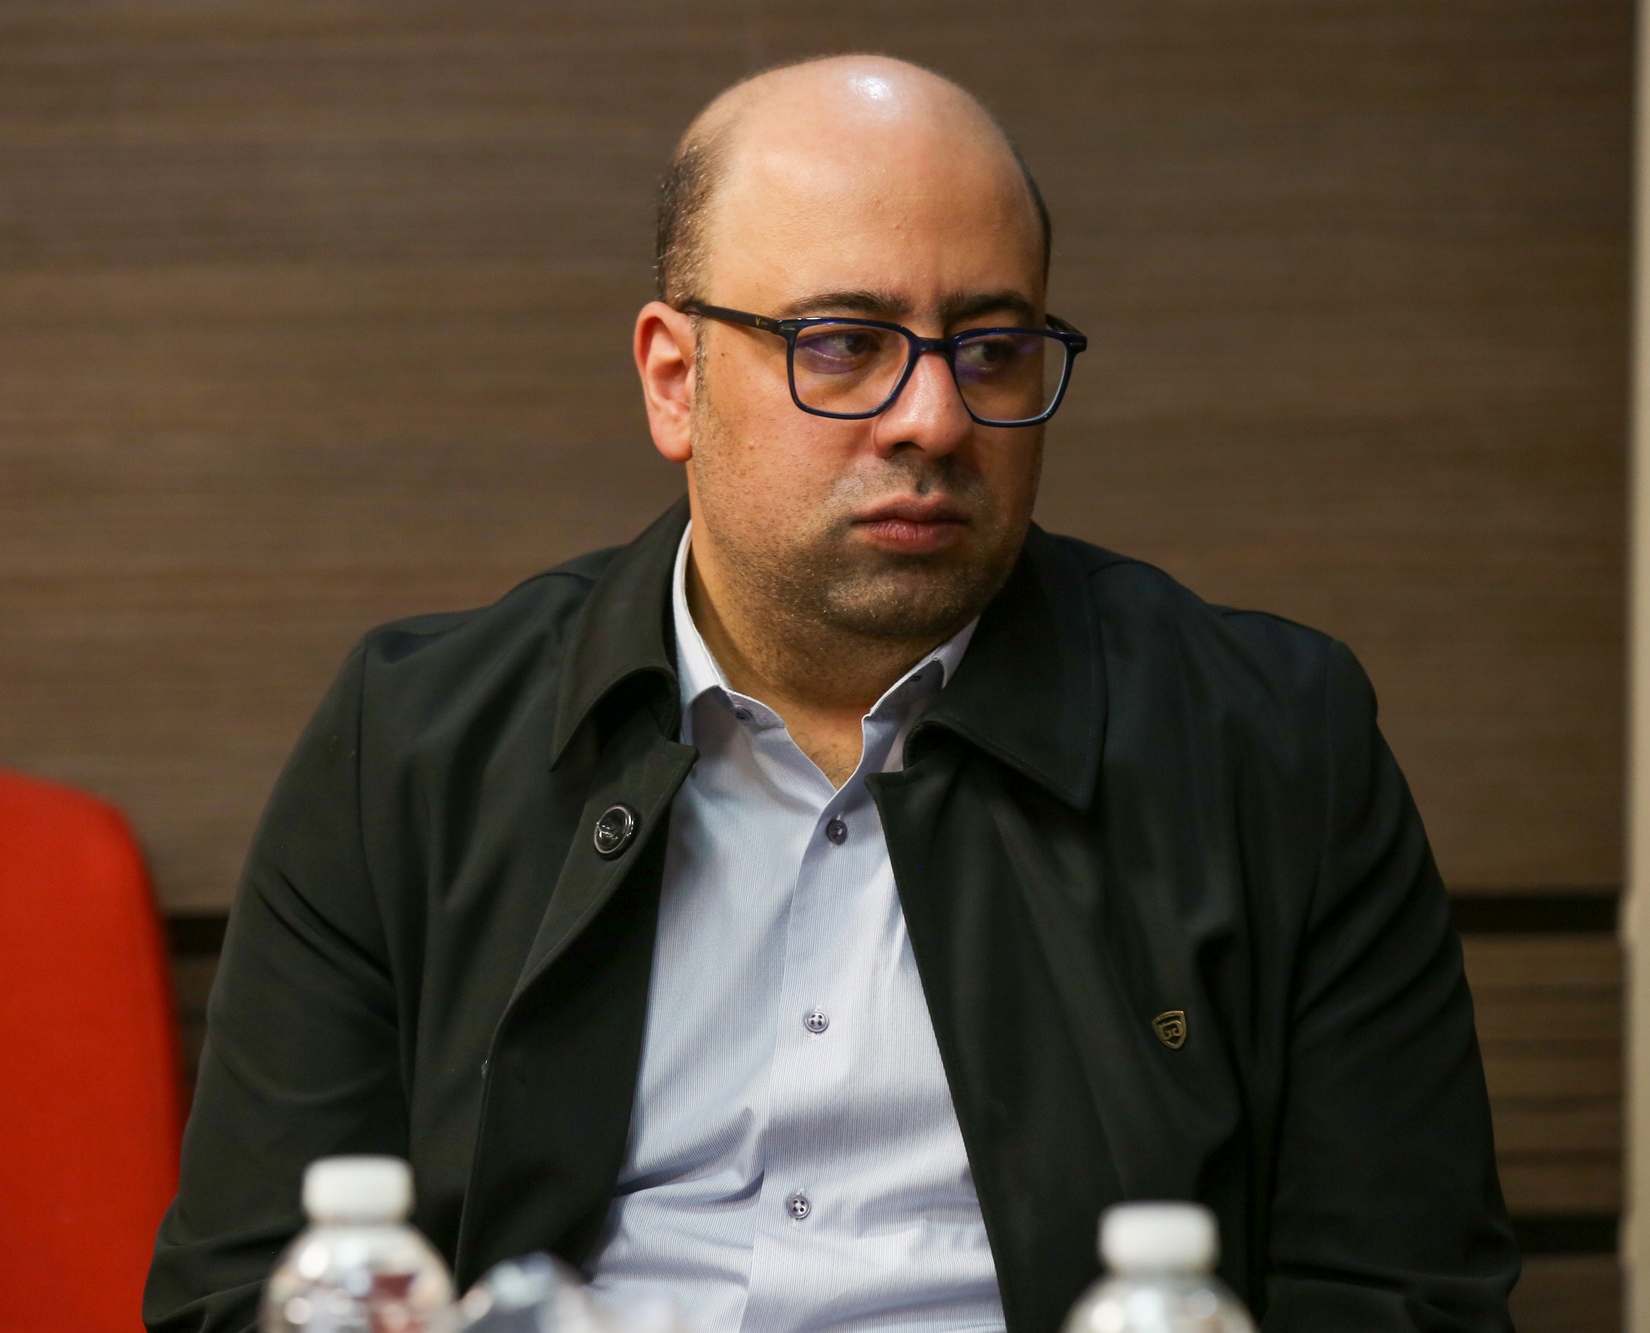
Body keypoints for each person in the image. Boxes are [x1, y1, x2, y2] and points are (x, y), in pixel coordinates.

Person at [146, 54, 1517, 1333]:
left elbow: (1403, 1301)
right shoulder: (413, 743)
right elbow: (248, 1292)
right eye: (844, 342)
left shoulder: (1270, 745)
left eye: (992, 347)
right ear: (675, 381)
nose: (935, 417)